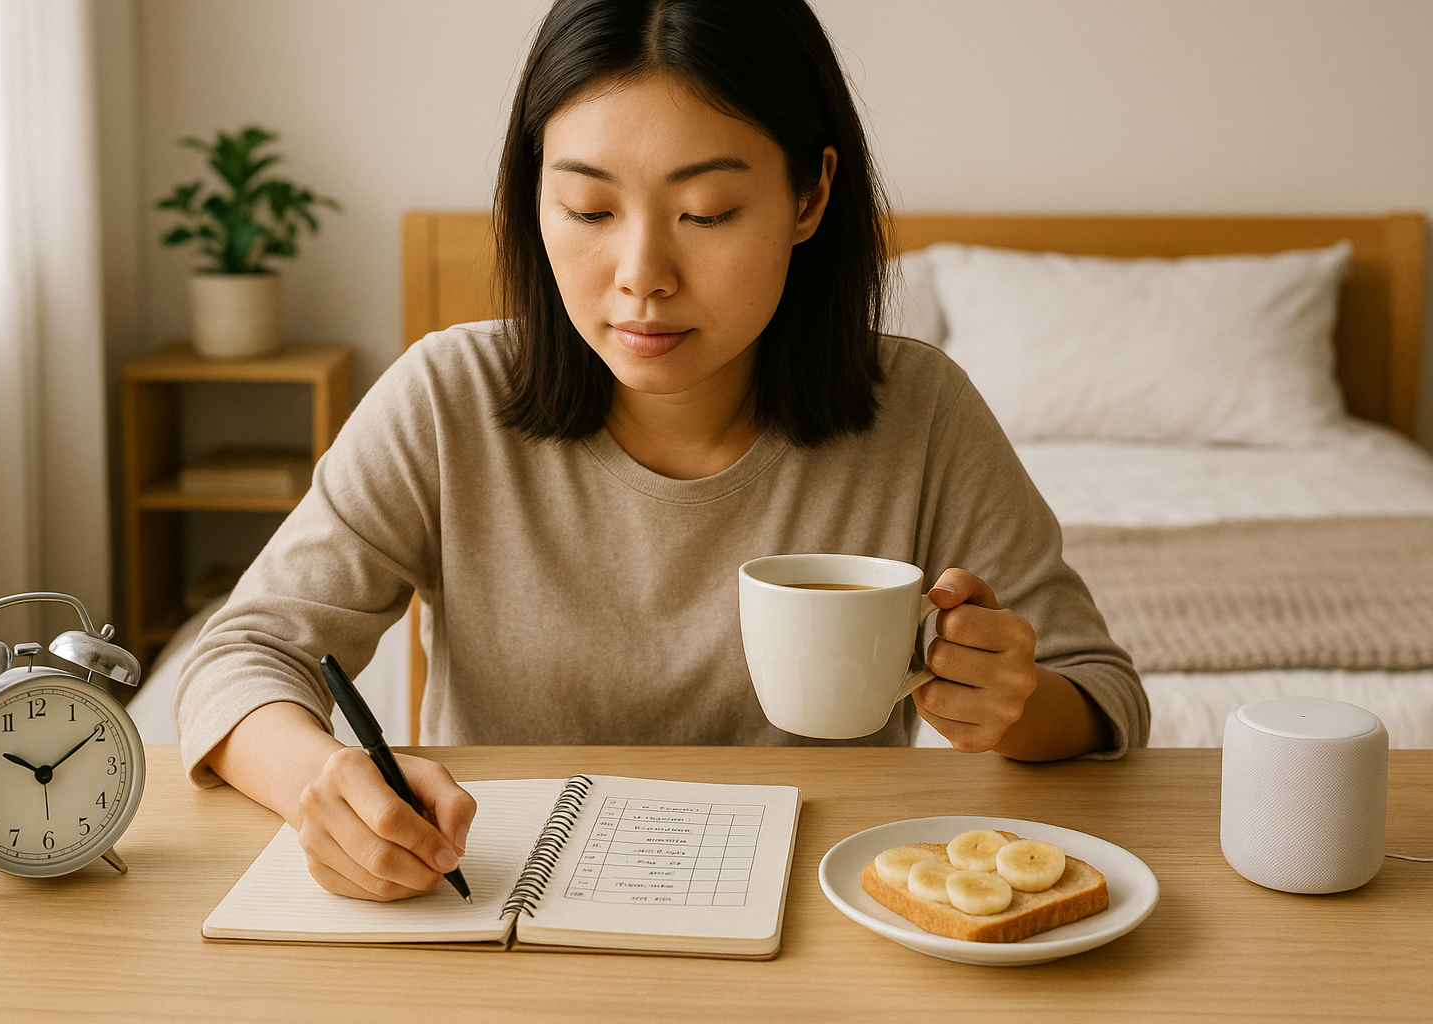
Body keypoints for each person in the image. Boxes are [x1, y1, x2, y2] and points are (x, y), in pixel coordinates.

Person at [174, 0, 1148, 903]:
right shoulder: (446, 399)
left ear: (810, 195)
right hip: (506, 917)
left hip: (820, 924)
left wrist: (1017, 706)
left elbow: (1101, 692)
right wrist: (322, 781)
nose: (642, 276)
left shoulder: (919, 411)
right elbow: (238, 654)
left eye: (709, 213)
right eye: (590, 211)